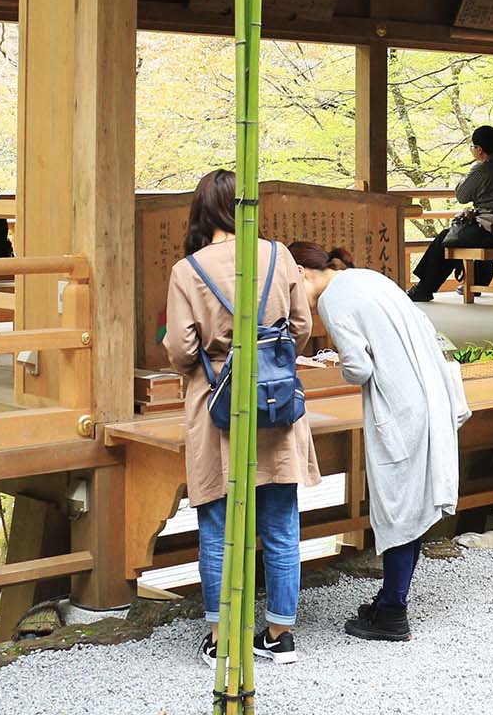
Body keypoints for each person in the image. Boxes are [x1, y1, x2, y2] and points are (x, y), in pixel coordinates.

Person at [163, 169, 320, 666]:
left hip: (218, 408)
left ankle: (222, 638)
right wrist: (269, 360)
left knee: (216, 525)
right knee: (280, 521)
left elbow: (182, 349)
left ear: (202, 211)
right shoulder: (280, 255)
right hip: (277, 406)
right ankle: (279, 635)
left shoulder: (189, 271)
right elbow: (301, 328)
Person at [288, 242, 470, 642]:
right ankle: (390, 598)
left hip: (400, 406)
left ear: (302, 272)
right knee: (409, 504)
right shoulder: (367, 279)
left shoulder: (332, 301)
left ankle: (392, 613)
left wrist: (335, 365)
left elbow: (360, 366)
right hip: (429, 396)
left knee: (397, 506)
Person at [409, 126, 493, 302]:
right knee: (472, 236)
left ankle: (424, 288)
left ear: (479, 150)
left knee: (448, 238)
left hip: (492, 228)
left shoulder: (483, 169)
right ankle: (476, 283)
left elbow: (462, 195)